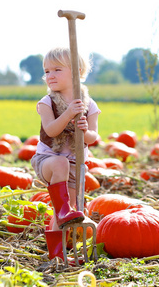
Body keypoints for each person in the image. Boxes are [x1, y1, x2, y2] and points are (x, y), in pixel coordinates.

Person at [30, 47, 101, 261]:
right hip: (48, 161)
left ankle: (57, 254)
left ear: (77, 71)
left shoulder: (88, 105)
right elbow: (51, 130)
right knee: (60, 163)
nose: (49, 76)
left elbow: (93, 137)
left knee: (65, 211)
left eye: (56, 70)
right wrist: (69, 113)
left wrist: (84, 130)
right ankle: (63, 214)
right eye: (47, 71)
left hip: (73, 164)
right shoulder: (47, 102)